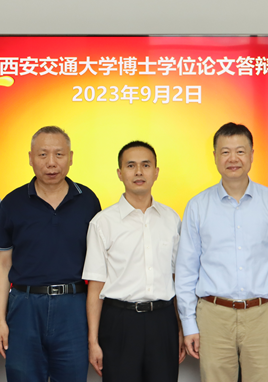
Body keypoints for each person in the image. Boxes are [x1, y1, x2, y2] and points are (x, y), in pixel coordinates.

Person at [175, 122, 268, 382]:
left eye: (240, 151)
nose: (233, 159)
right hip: (213, 314)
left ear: (252, 154)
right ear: (215, 157)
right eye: (225, 152)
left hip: (262, 313)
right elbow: (186, 270)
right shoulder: (197, 206)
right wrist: (188, 323)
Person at [0, 126, 101, 382]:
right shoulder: (12, 202)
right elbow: (3, 264)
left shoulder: (88, 201)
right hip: (24, 306)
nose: (51, 163)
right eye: (43, 154)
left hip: (73, 306)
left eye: (59, 154)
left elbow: (99, 266)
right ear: (30, 158)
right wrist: (0, 320)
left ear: (71, 158)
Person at [83, 141, 186, 382]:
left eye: (145, 165)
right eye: (131, 166)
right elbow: (95, 287)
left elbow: (177, 278)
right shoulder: (102, 222)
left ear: (156, 172)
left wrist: (182, 328)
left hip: (163, 320)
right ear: (120, 173)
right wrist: (93, 341)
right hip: (119, 322)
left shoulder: (171, 219)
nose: (139, 172)